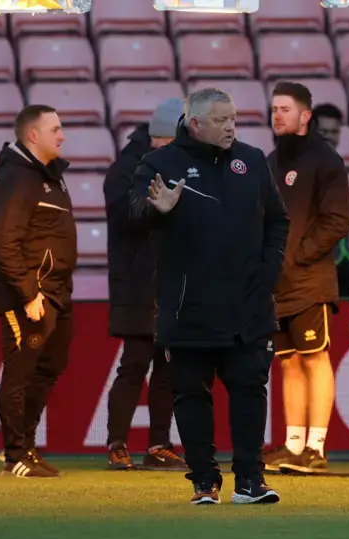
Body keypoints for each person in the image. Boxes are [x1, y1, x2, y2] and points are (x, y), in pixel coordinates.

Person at [129, 88, 290, 505]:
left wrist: (269, 271)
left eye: (233, 118)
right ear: (195, 124)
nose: (231, 126)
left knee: (250, 391)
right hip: (188, 306)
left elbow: (278, 222)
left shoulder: (252, 161)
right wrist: (155, 210)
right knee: (191, 395)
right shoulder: (160, 163)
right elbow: (132, 211)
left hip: (248, 303)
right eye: (221, 120)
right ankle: (204, 479)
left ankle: (251, 481)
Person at [262, 82, 349, 474]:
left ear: (305, 116)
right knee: (287, 363)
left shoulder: (326, 160)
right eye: (274, 109)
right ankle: (293, 443)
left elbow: (337, 221)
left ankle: (317, 447)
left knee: (315, 358)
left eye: (285, 108)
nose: (277, 115)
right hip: (276, 284)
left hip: (310, 281)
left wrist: (297, 255)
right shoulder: (268, 161)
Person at [0, 104, 76, 478]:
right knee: (20, 372)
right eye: (55, 129)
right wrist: (28, 293)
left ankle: (25, 443)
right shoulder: (16, 179)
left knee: (50, 366)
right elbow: (4, 243)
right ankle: (15, 454)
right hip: (30, 297)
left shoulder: (50, 177)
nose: (62, 135)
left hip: (56, 292)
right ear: (32, 136)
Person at [102, 98, 187, 471]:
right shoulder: (125, 170)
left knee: (167, 366)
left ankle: (158, 444)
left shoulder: (175, 162)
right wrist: (162, 208)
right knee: (135, 363)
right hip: (138, 281)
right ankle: (117, 443)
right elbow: (127, 215)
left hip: (169, 279)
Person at [312, 102, 349, 297]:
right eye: (323, 131)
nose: (329, 136)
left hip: (341, 258)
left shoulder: (337, 166)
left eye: (334, 131)